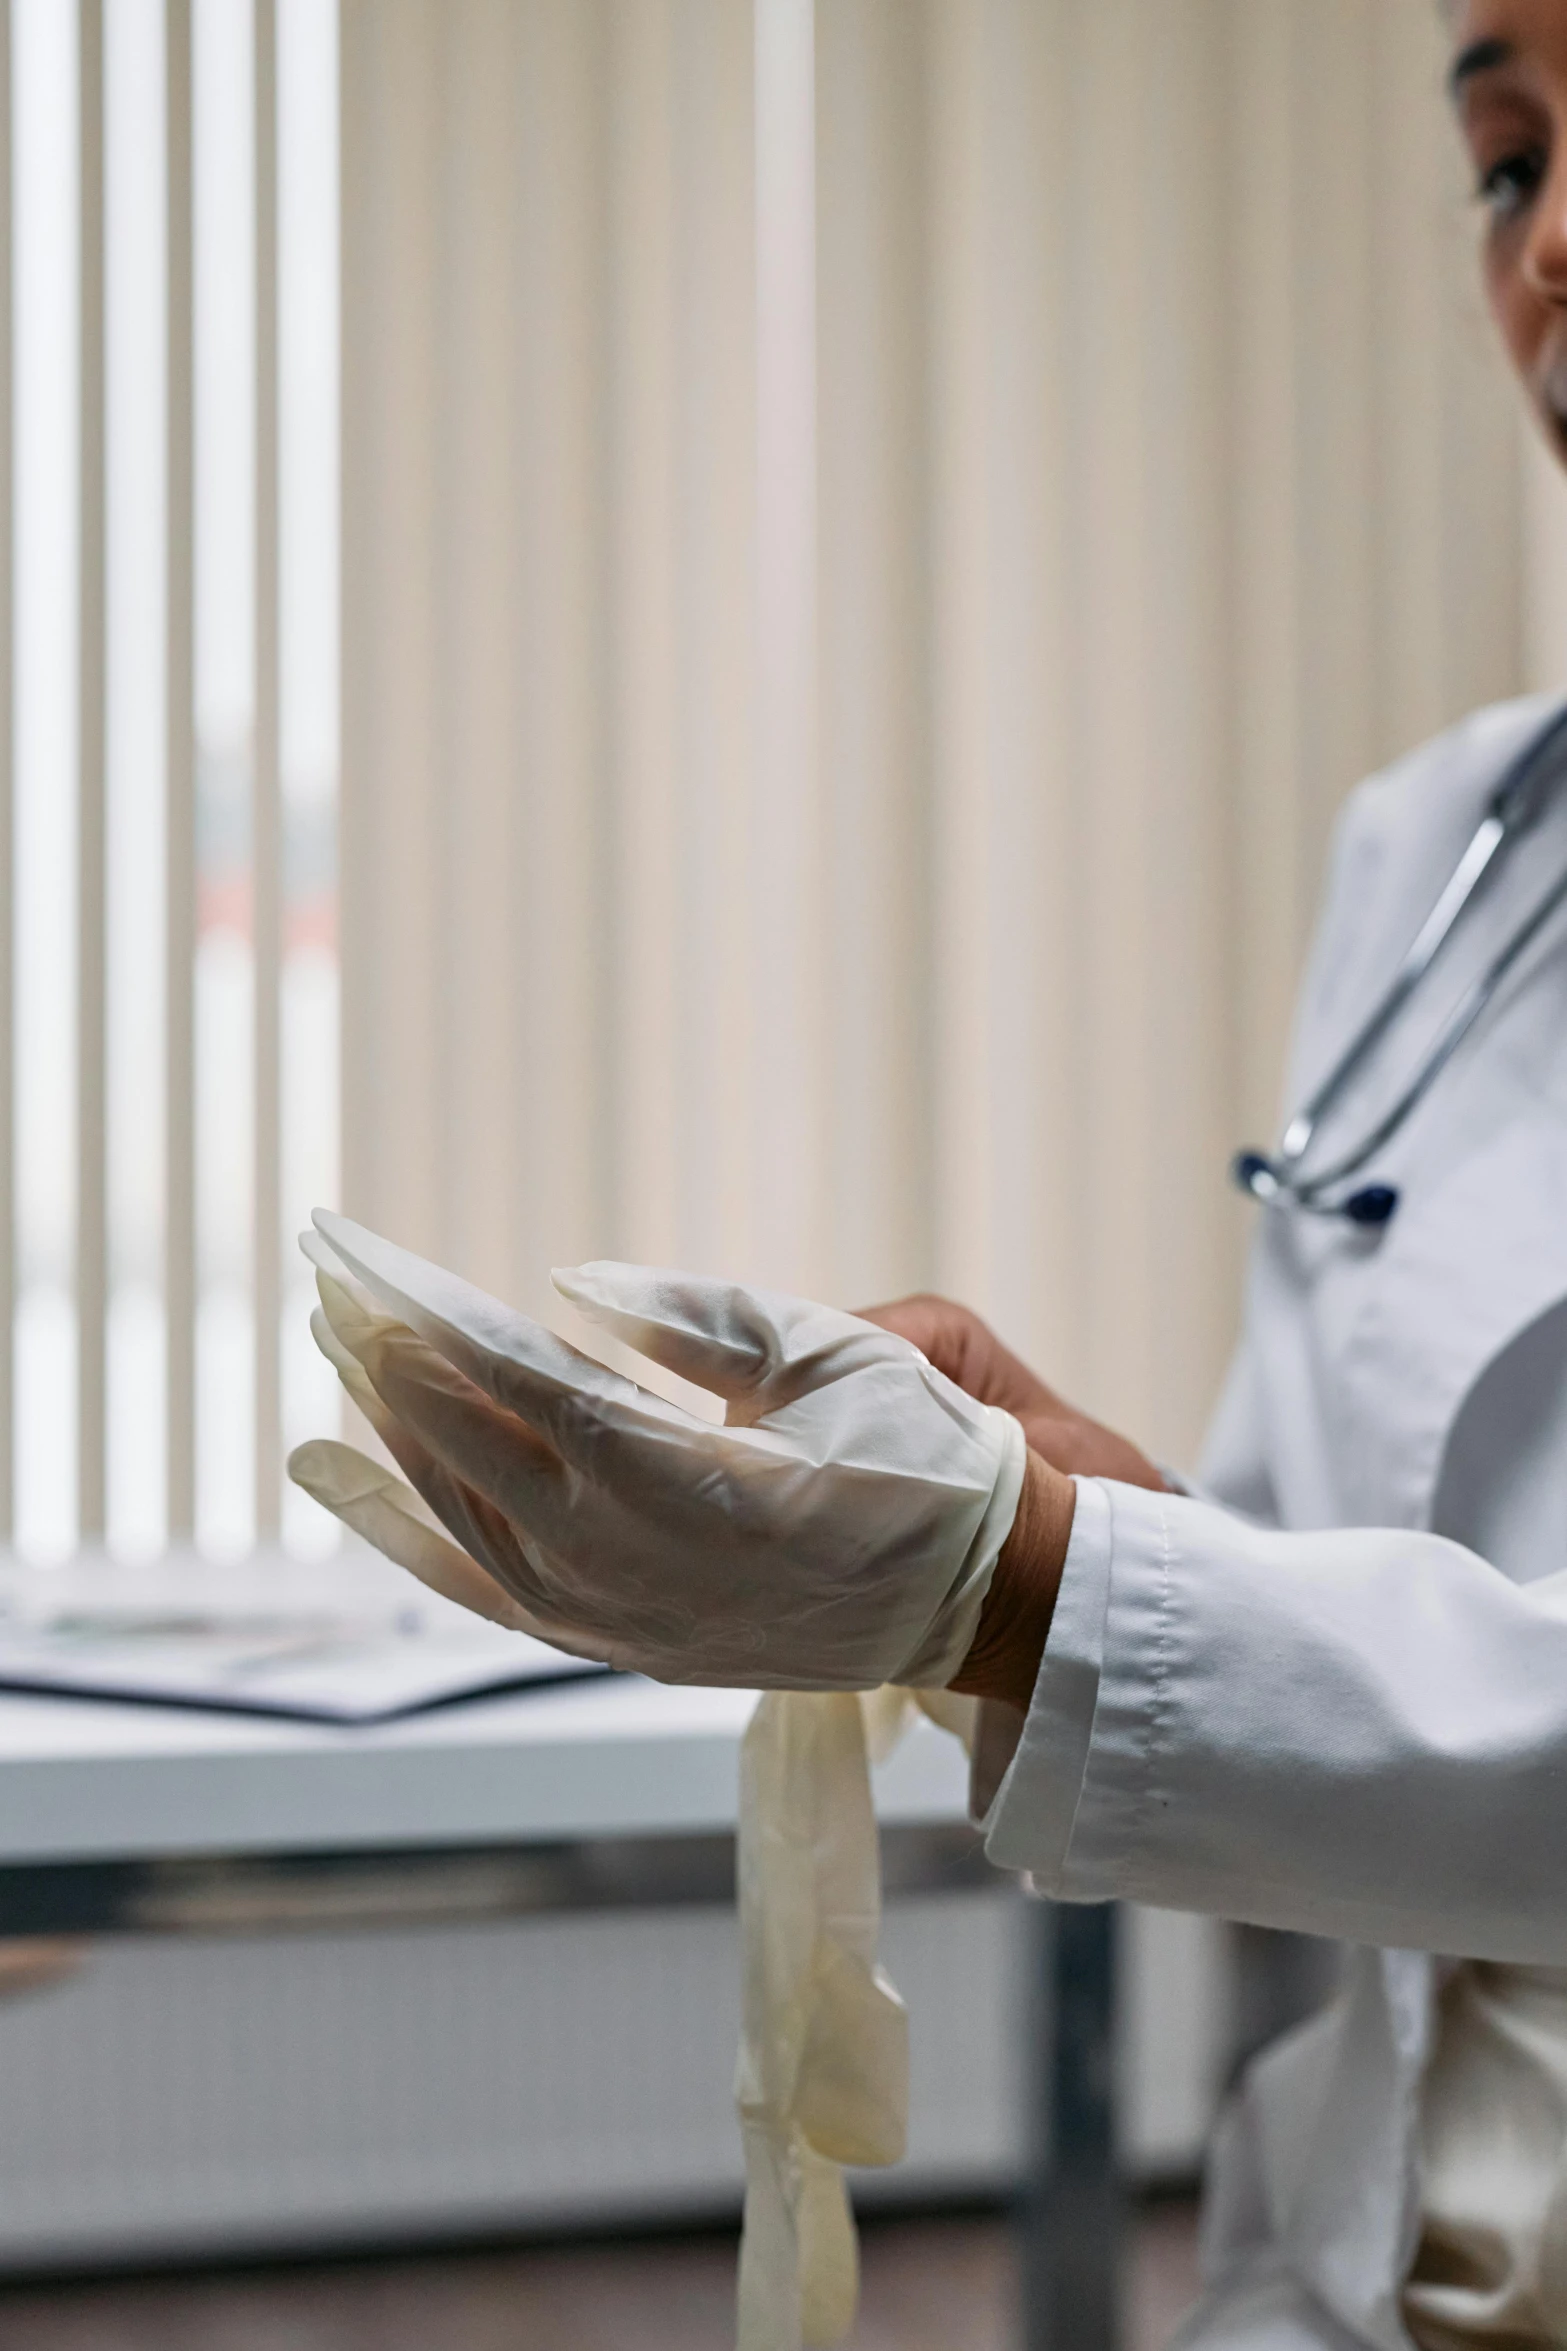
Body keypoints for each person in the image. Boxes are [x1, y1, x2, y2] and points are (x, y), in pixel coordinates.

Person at [291, 4, 1567, 2343]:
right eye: (1509, 162)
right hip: (1363, 2278)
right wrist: (1037, 1481)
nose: (1557, 239)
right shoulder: (1439, 860)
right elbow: (1312, 1586)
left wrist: (1023, 1572)